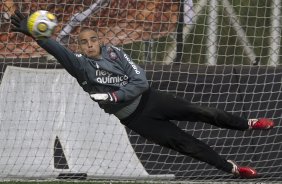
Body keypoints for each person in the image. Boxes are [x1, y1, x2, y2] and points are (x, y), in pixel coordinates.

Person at [11, 10, 275, 179]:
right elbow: (57, 49)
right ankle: (233, 169)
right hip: (137, 119)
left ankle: (248, 124)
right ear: (78, 46)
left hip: (152, 99)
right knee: (185, 145)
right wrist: (35, 34)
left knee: (202, 111)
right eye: (84, 42)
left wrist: (115, 97)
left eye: (93, 39)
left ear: (99, 41)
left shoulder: (115, 53)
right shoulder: (79, 65)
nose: (90, 44)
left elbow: (140, 81)